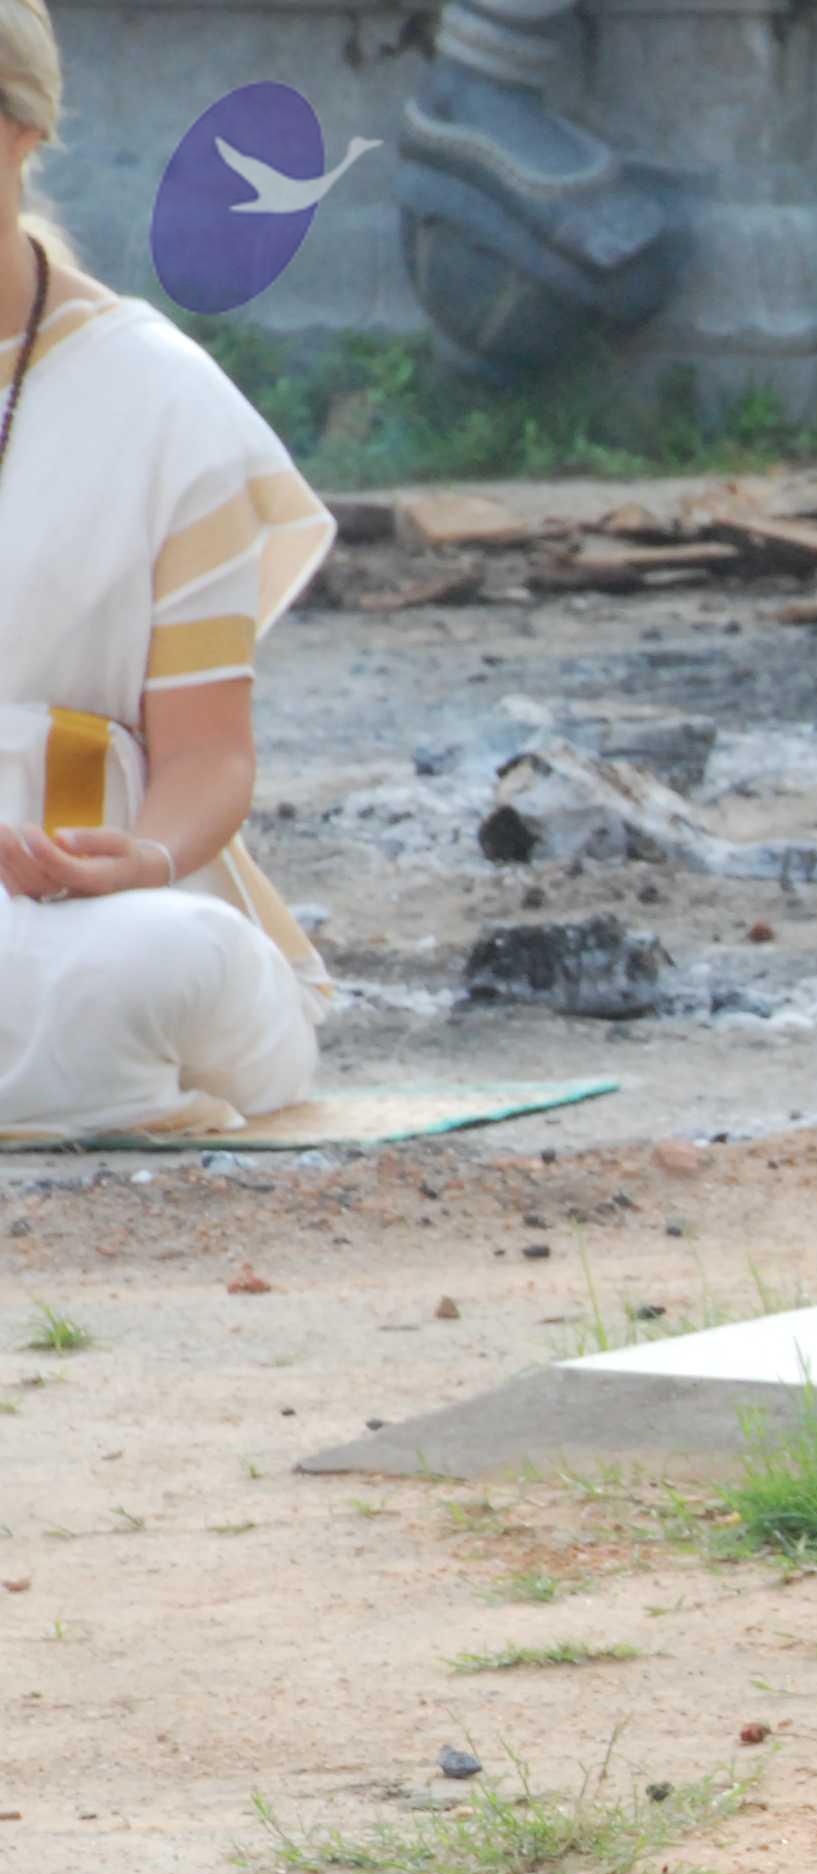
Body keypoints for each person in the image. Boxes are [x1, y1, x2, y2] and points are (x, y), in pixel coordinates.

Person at [1, 0, 338, 1143]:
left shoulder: (160, 400)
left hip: (100, 925)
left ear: (20, 129)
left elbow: (207, 755)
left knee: (158, 966)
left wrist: (138, 859)